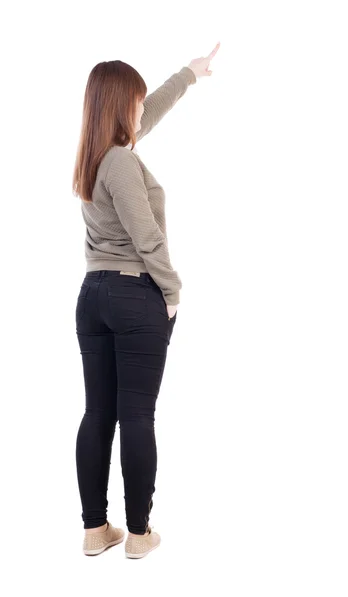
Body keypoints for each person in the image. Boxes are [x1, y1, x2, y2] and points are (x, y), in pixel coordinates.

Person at [72, 42, 220, 559]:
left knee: (99, 414)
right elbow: (144, 235)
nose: (141, 108)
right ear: (119, 106)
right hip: (135, 294)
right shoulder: (121, 163)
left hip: (92, 297)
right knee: (137, 415)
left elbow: (146, 114)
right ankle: (138, 534)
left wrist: (189, 75)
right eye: (134, 100)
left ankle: (96, 531)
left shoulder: (95, 153)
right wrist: (172, 290)